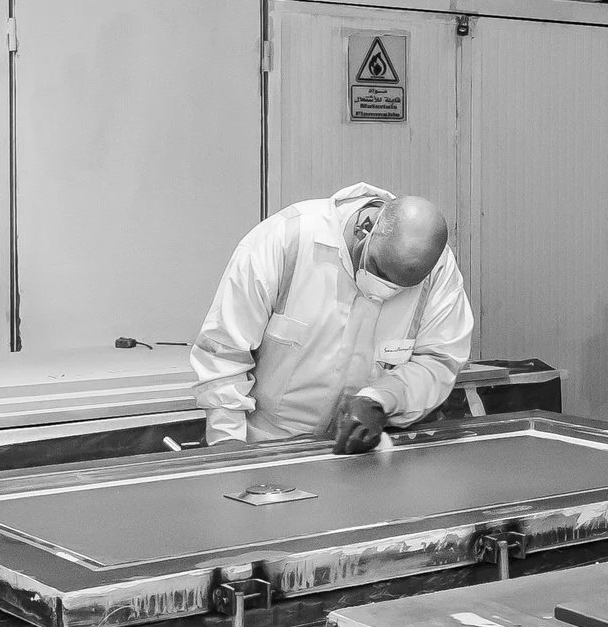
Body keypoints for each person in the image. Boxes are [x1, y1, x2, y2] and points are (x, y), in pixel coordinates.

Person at [191, 183, 474, 454]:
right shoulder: (284, 241)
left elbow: (439, 361)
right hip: (267, 448)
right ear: (365, 227)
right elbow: (225, 354)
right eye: (379, 269)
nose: (384, 290)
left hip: (359, 453)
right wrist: (228, 445)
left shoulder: (436, 268)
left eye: (401, 287)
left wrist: (381, 399)